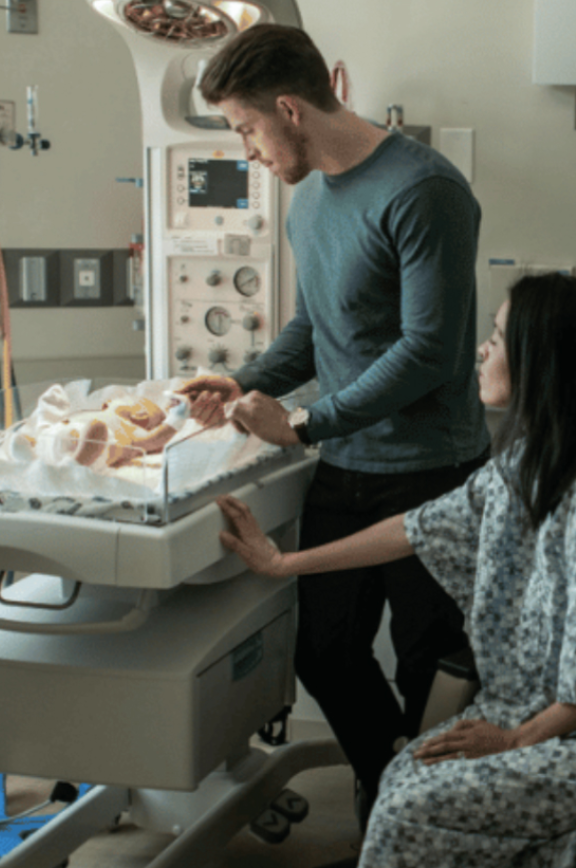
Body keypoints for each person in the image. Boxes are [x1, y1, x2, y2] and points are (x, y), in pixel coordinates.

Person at [177, 24, 491, 825]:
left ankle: (426, 819)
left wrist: (306, 423)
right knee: (324, 652)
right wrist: (242, 379)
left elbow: (426, 350)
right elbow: (312, 330)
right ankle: (397, 789)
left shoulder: (425, 191)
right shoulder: (309, 203)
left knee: (435, 668)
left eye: (245, 128)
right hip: (345, 470)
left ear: (289, 108)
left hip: (433, 471)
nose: (246, 150)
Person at [216, 271, 575, 866]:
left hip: (553, 733)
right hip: (520, 710)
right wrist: (284, 563)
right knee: (401, 781)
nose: (483, 349)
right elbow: (413, 528)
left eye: (499, 336)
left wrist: (513, 740)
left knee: (409, 803)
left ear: (543, 359)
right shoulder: (520, 470)